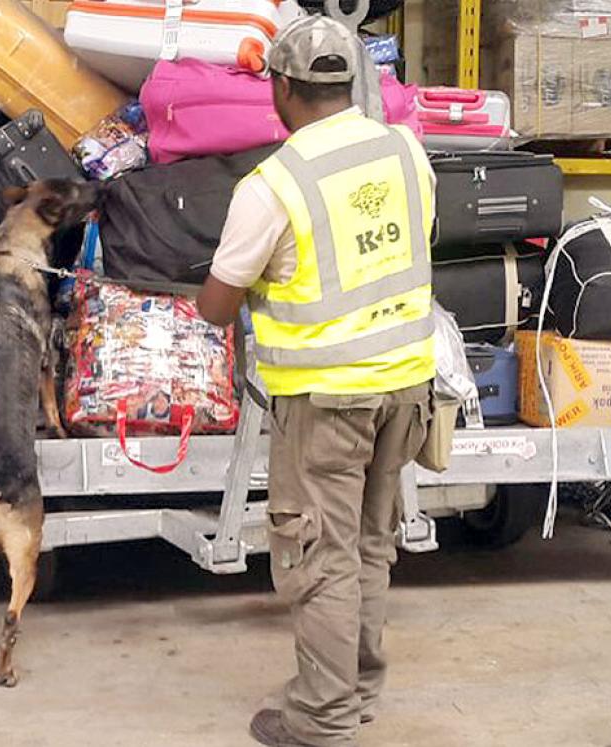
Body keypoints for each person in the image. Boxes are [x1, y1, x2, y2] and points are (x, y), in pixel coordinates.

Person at [195, 15, 439, 747]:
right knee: (369, 546)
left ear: (282, 87)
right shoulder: (407, 152)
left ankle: (323, 718)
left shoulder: (275, 185)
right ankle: (356, 692)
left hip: (328, 401)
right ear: (349, 81)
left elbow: (216, 306)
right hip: (408, 388)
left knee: (321, 557)